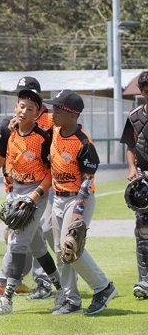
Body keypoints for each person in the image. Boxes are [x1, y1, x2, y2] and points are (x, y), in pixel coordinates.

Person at [0, 88, 62, 315]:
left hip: (35, 195)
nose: (24, 111)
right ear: (15, 108)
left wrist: (36, 194)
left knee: (17, 243)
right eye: (21, 106)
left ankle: (6, 300)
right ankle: (63, 290)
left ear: (37, 113)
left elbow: (52, 173)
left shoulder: (42, 138)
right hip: (16, 193)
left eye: (30, 109)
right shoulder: (9, 135)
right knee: (37, 245)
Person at [46, 89, 117, 315]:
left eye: (59, 109)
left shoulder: (84, 143)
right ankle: (71, 299)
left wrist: (78, 214)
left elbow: (87, 182)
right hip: (57, 197)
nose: (53, 112)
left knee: (71, 247)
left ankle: (103, 287)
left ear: (73, 114)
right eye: (53, 108)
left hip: (78, 200)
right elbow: (34, 116)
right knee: (60, 251)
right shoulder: (54, 129)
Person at [0, 77, 55, 299]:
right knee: (30, 236)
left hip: (47, 181)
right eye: (21, 96)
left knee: (43, 231)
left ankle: (7, 285)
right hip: (20, 186)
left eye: (30, 96)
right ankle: (44, 282)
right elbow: (3, 156)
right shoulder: (13, 124)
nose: (24, 102)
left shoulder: (50, 118)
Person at [120, 70, 148, 299]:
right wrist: (132, 169)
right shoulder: (134, 117)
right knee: (143, 232)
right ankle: (145, 281)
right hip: (143, 180)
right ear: (141, 92)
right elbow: (130, 147)